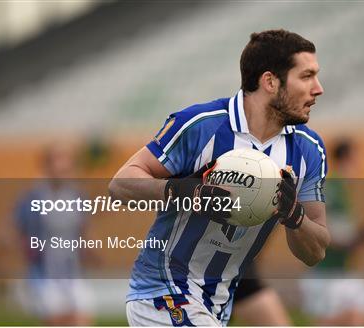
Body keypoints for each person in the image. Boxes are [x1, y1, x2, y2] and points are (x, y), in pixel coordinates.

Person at [109, 29, 330, 326]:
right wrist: (186, 191)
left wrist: (295, 216)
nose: (318, 88)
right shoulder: (201, 125)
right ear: (270, 82)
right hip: (161, 293)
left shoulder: (309, 150)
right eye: (306, 76)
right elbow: (121, 183)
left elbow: (316, 251)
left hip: (218, 305)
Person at [14, 145, 93, 326]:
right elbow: (20, 227)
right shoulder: (34, 197)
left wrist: (88, 251)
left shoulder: (77, 196)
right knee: (56, 318)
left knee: (82, 318)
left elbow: (82, 230)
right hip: (45, 270)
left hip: (73, 269)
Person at [300, 139, 364, 326]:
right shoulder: (332, 186)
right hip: (326, 273)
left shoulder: (342, 188)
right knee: (337, 321)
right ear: (348, 158)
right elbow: (321, 229)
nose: (361, 161)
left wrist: (355, 240)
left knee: (357, 317)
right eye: (358, 156)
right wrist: (353, 241)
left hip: (342, 271)